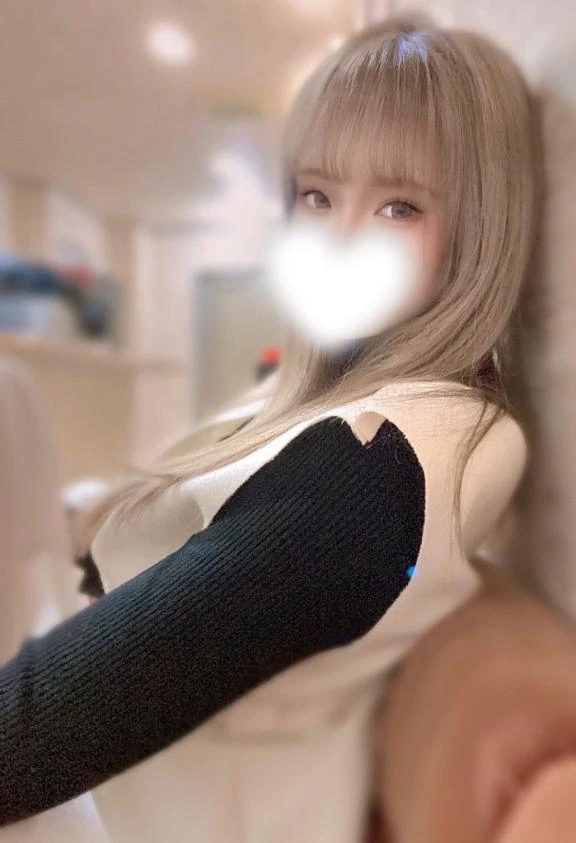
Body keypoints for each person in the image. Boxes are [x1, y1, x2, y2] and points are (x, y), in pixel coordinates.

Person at [0, 13, 545, 843]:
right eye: (318, 196)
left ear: (477, 234)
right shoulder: (367, 402)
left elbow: (24, 736)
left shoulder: (370, 468)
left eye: (399, 206)